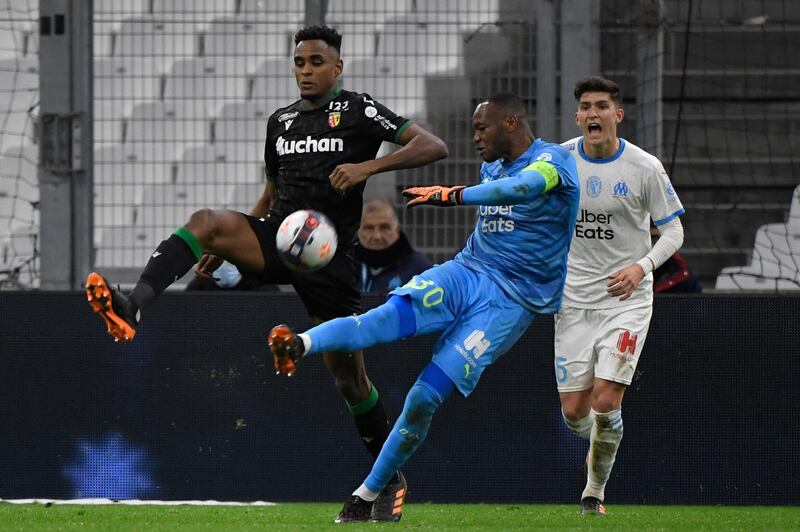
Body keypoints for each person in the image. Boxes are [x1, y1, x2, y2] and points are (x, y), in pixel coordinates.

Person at [85, 25, 448, 521]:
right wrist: (228, 245)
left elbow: (433, 146)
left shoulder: (361, 110)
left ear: (336, 67)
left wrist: (368, 169)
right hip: (280, 237)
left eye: (316, 62)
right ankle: (133, 305)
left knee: (350, 381)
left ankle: (387, 480)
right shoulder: (281, 122)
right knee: (206, 224)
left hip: (330, 259)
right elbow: (272, 193)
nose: (305, 71)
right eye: (299, 62)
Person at [267, 92, 580, 523]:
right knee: (374, 323)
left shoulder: (554, 162)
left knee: (422, 398)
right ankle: (297, 345)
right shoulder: (492, 165)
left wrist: (453, 195)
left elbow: (524, 188)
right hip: (467, 271)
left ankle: (367, 494)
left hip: (510, 302)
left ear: (510, 122)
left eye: (481, 127)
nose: (474, 137)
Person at [556, 76, 685, 515]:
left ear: (618, 114)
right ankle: (603, 439)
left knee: (606, 399)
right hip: (572, 300)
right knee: (575, 412)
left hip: (626, 299)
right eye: (586, 107)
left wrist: (641, 267)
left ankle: (593, 492)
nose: (594, 114)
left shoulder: (644, 166)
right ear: (577, 117)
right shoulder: (558, 162)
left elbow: (674, 230)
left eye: (602, 106)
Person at [356, 198, 433, 294]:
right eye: (369, 228)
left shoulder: (420, 271)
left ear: (397, 230)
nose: (377, 236)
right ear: (358, 231)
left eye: (384, 227)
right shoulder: (346, 268)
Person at [650, 226, 702, 293]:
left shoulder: (682, 276)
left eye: (655, 238)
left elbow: (698, 302)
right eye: (647, 238)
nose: (651, 243)